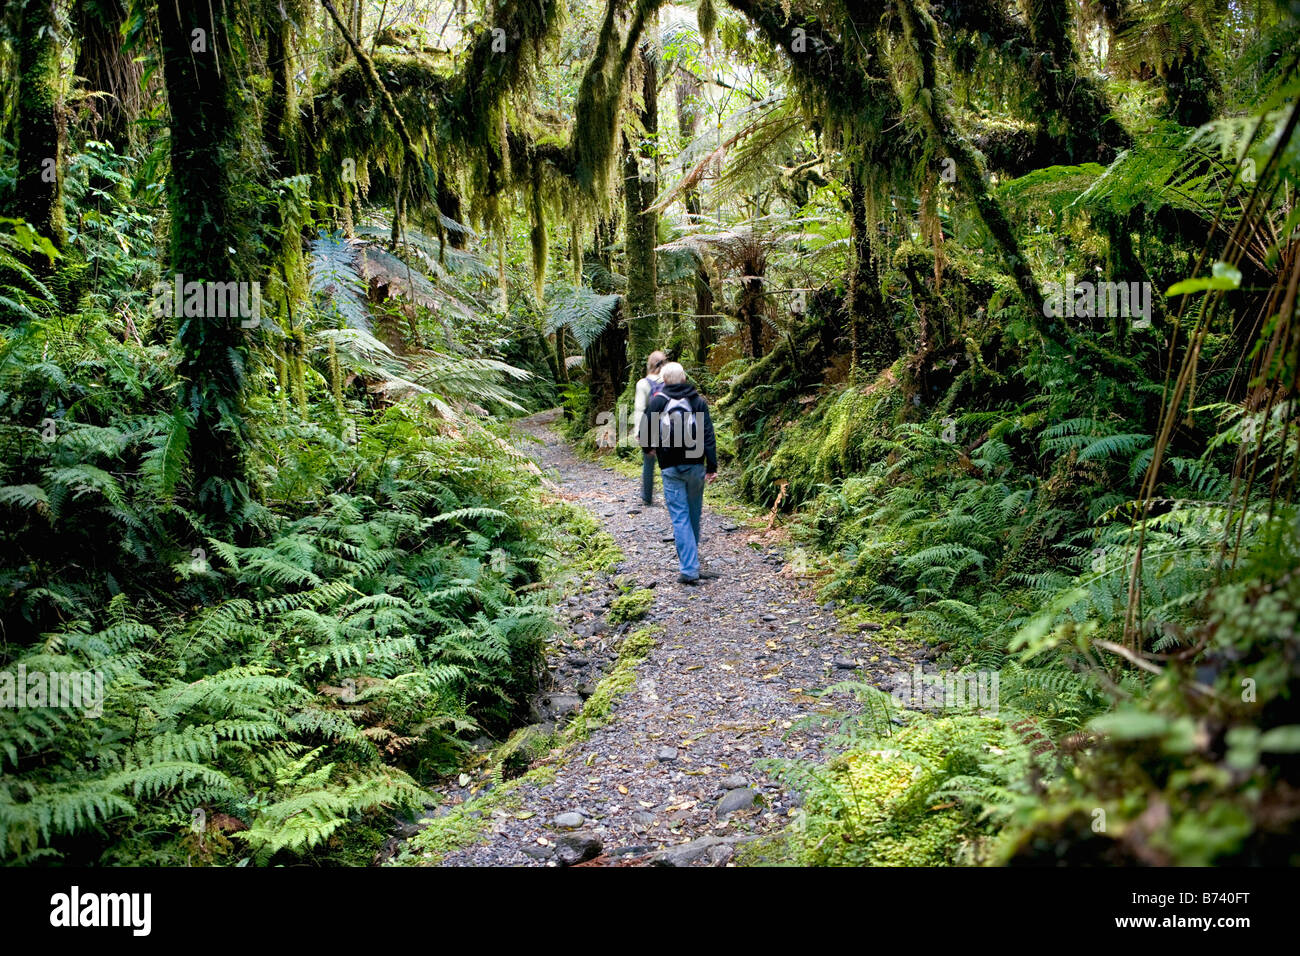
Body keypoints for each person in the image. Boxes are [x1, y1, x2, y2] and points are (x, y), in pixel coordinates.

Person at [639, 361, 719, 585]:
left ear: (664, 380)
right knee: (693, 514)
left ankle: (690, 568)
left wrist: (649, 449)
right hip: (695, 465)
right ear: (684, 378)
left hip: (670, 467)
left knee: (680, 517)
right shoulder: (697, 401)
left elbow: (646, 430)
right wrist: (711, 466)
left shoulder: (658, 400)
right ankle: (692, 563)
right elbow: (708, 435)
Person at [632, 350, 667, 506]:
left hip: (650, 427)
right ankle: (671, 495)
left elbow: (640, 409)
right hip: (669, 426)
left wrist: (638, 432)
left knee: (648, 461)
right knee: (668, 463)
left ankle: (647, 496)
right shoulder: (669, 380)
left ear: (649, 364)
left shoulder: (643, 383)